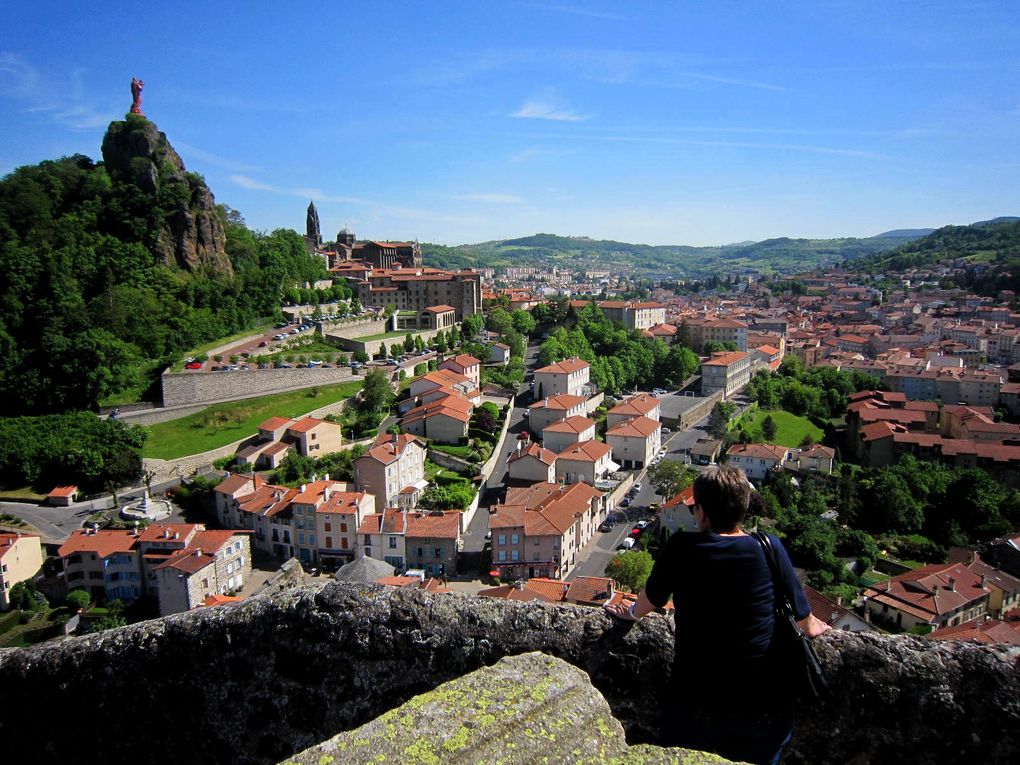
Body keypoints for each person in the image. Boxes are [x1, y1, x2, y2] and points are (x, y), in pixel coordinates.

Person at [604, 465, 829, 765]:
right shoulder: (768, 548)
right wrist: (816, 625)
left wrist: (630, 612)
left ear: (702, 513)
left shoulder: (682, 547)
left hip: (697, 703)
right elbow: (806, 622)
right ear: (743, 509)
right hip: (762, 709)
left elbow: (650, 600)